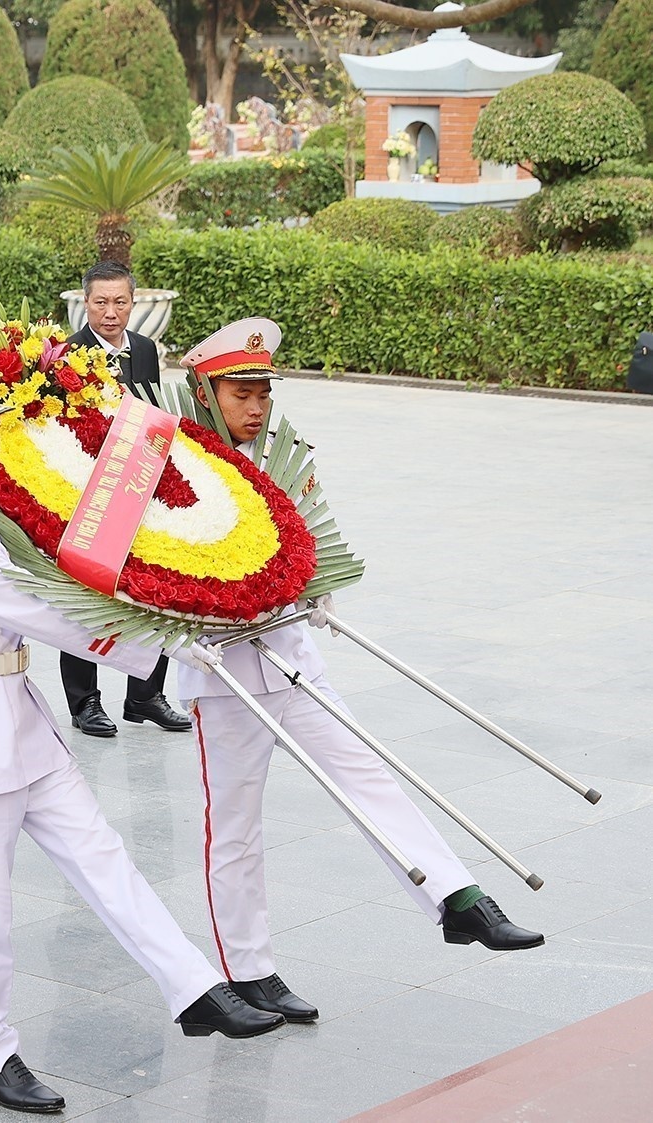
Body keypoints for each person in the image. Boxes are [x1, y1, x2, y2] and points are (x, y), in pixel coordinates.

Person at [0, 354, 283, 1114]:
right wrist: (170, 636)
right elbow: (53, 617)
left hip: (22, 726)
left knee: (108, 863)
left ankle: (196, 987)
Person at [178, 317, 543, 1025]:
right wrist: (173, 641)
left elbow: (305, 536)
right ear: (206, 390)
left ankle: (460, 899)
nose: (255, 407)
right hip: (223, 674)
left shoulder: (279, 457)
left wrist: (316, 589)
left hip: (291, 654)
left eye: (263, 393)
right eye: (241, 392)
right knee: (237, 827)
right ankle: (250, 971)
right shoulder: (180, 468)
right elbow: (141, 574)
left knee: (368, 770)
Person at [61, 261, 191, 738]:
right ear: (85, 303)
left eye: (120, 302)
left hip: (139, 486)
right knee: (83, 596)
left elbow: (153, 413)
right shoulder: (66, 355)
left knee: (152, 590)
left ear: (133, 303)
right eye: (101, 302)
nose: (111, 312)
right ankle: (85, 702)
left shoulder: (145, 349)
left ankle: (145, 696)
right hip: (86, 490)